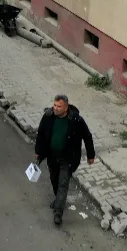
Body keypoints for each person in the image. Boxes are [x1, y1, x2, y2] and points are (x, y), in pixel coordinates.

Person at [33, 94, 96, 226]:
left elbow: (87, 136)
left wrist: (90, 155)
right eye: (54, 105)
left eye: (58, 106)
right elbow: (41, 133)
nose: (55, 108)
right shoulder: (48, 116)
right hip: (51, 156)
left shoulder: (76, 120)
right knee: (54, 179)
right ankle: (59, 200)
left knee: (63, 183)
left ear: (66, 107)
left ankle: (58, 213)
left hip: (68, 158)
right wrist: (38, 151)